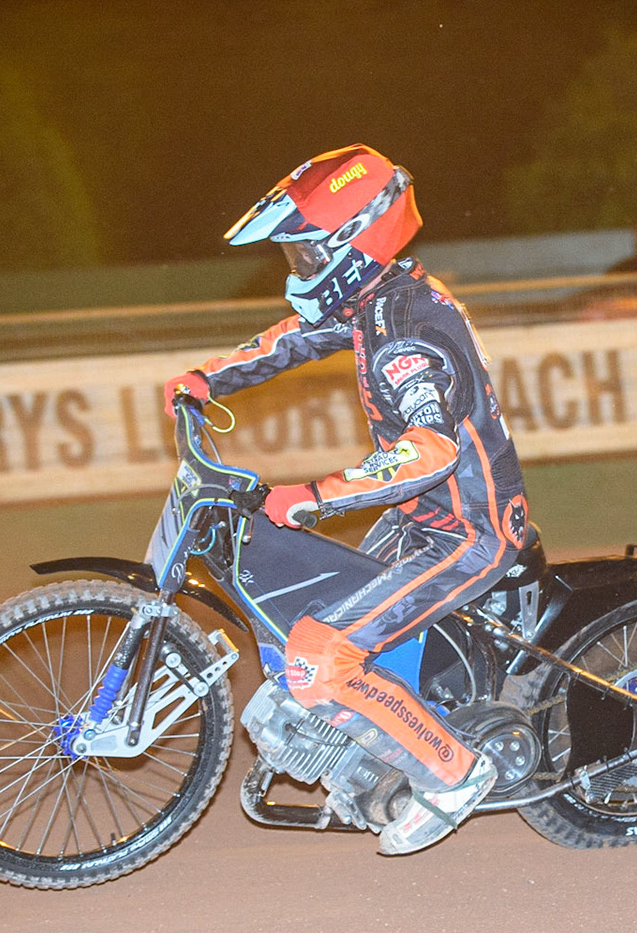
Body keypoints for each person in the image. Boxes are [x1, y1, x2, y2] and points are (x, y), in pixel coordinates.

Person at [165, 144, 530, 856]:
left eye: (305, 257)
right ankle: (372, 754)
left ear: (352, 246)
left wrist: (315, 495)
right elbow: (295, 338)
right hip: (420, 520)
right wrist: (208, 377)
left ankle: (454, 774)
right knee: (321, 620)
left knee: (320, 657)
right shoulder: (375, 301)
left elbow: (430, 451)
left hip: (467, 531)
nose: (296, 272)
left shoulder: (408, 335)